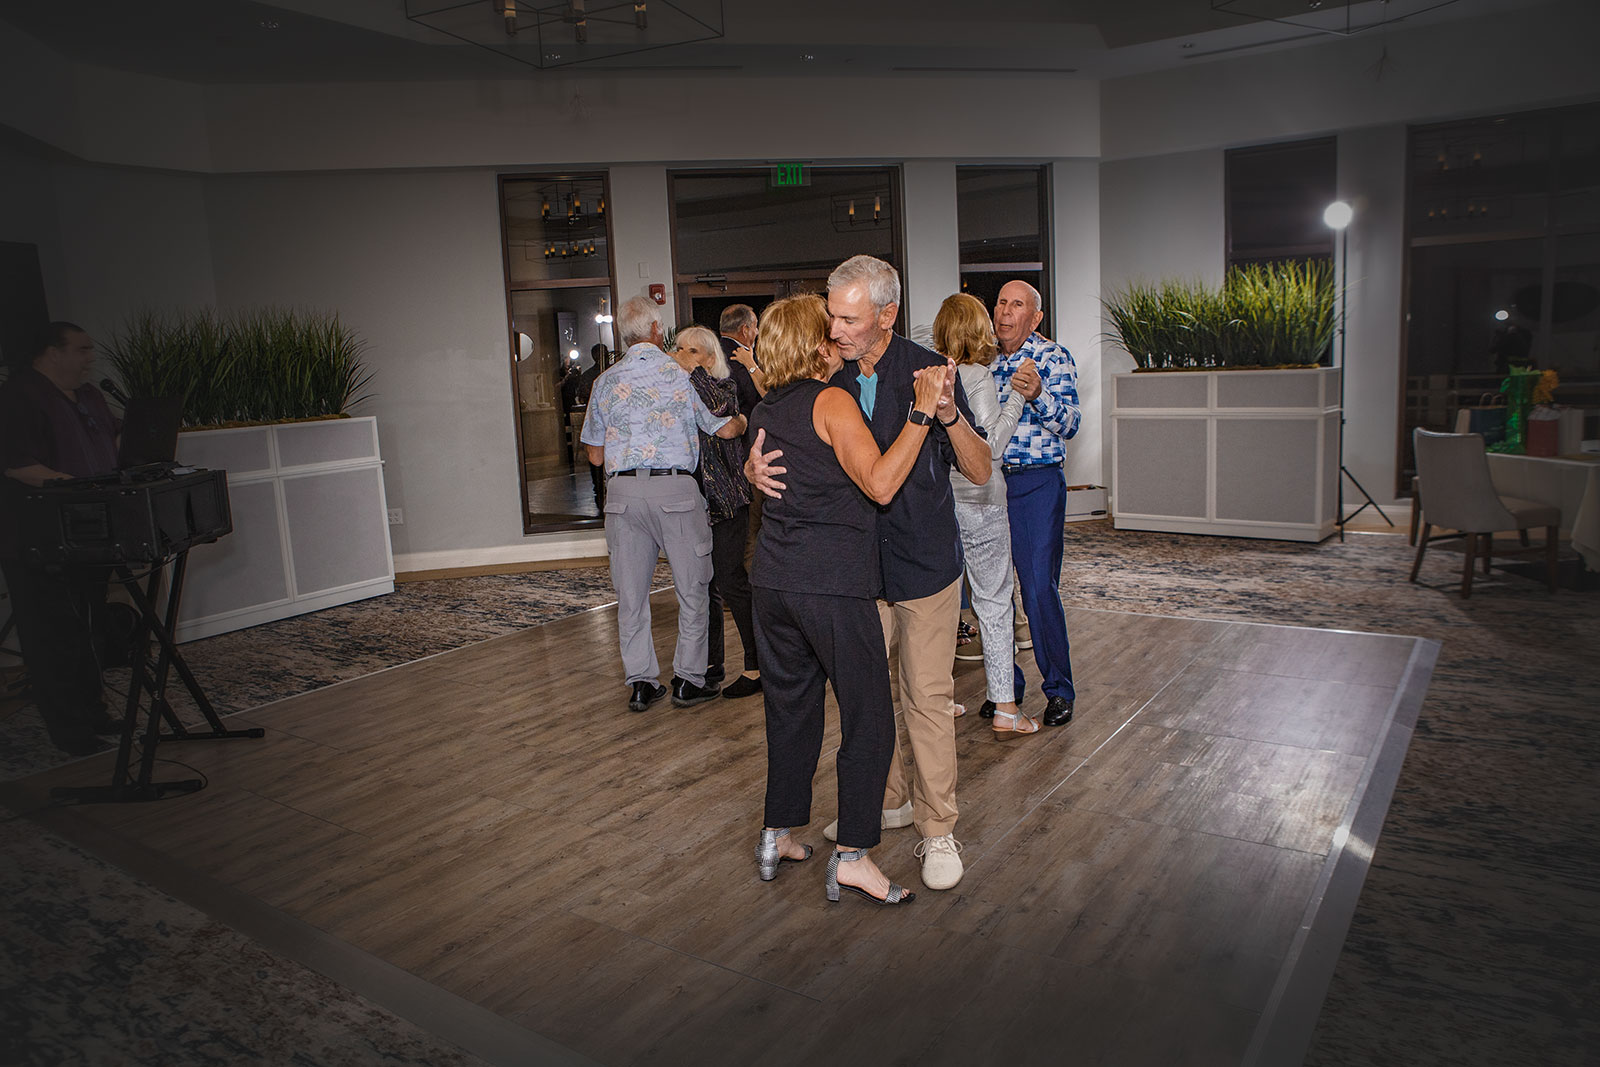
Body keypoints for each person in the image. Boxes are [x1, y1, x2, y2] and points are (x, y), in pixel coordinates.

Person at [751, 255, 991, 891]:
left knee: (926, 699)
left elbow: (980, 469)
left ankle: (938, 830)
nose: (834, 329)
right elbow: (791, 438)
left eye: (849, 319)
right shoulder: (824, 373)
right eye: (831, 316)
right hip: (852, 574)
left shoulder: (928, 371)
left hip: (922, 563)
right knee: (864, 698)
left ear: (888, 315)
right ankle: (885, 804)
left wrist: (947, 414)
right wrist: (754, 469)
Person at [580, 297, 745, 714]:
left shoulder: (605, 381)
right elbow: (722, 429)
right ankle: (687, 681)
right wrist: (743, 421)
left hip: (622, 496)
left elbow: (595, 456)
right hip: (675, 492)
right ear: (656, 331)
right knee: (693, 590)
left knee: (631, 596)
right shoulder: (680, 375)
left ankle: (641, 683)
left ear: (624, 335)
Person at [0, 322, 122, 756]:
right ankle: (69, 731)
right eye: (82, 349)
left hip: (88, 532)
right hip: (38, 538)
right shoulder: (19, 396)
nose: (90, 357)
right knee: (52, 637)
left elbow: (112, 438)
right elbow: (18, 465)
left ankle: (94, 712)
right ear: (52, 352)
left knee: (88, 629)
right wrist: (79, 487)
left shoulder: (88, 395)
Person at [933, 293, 1038, 739]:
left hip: (940, 503)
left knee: (938, 605)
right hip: (982, 500)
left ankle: (938, 701)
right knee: (994, 603)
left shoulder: (929, 376)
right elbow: (990, 446)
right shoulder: (977, 375)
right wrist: (1016, 398)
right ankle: (1006, 709)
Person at [989, 280, 1081, 728]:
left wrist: (1039, 395)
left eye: (1017, 305)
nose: (1006, 312)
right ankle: (1005, 689)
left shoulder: (1053, 357)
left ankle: (1059, 689)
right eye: (1001, 303)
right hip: (988, 486)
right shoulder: (983, 359)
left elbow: (1071, 424)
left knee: (1039, 588)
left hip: (1037, 483)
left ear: (1036, 317)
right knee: (994, 592)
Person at [669, 325, 761, 700]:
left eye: (691, 351)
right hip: (691, 501)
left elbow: (723, 416)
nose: (680, 355)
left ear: (709, 358)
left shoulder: (723, 387)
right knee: (702, 587)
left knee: (730, 581)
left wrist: (695, 373)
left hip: (726, 501)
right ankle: (709, 668)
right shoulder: (675, 392)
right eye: (678, 348)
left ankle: (757, 666)